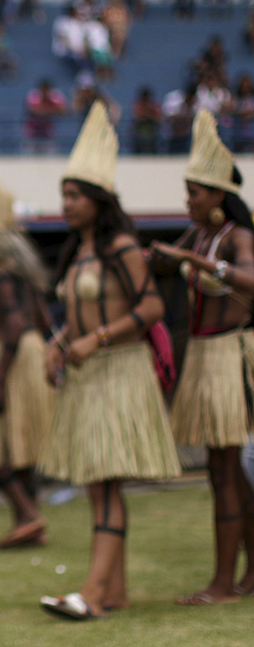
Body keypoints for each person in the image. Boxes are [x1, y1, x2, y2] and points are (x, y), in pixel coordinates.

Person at [38, 103, 181, 620]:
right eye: (64, 194)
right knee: (99, 483)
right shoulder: (77, 251)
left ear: (99, 199)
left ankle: (94, 595)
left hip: (119, 372)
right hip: (87, 376)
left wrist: (95, 338)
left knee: (104, 484)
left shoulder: (121, 245)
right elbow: (76, 313)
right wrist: (58, 342)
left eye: (75, 195)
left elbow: (151, 307)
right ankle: (113, 591)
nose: (67, 203)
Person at [149, 110, 254, 605]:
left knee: (227, 470)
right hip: (206, 357)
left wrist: (190, 260)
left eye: (194, 191)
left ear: (218, 195)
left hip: (231, 359)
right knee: (223, 471)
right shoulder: (201, 235)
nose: (188, 199)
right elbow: (166, 263)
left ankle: (223, 583)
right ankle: (245, 574)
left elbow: (250, 280)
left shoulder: (235, 236)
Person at [0, 176, 55, 551]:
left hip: (13, 357)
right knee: (21, 449)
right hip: (32, 355)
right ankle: (28, 519)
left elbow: (16, 325)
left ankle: (29, 514)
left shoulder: (3, 278)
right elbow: (43, 322)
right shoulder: (27, 277)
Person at [24, 78, 67, 154]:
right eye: (43, 90)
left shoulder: (55, 97)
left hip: (48, 133)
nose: (45, 93)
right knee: (30, 160)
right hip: (33, 133)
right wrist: (52, 110)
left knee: (50, 159)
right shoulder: (33, 96)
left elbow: (63, 111)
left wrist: (47, 109)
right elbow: (36, 111)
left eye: (47, 90)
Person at [131, 86, 163, 155]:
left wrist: (149, 116)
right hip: (140, 133)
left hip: (151, 133)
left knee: (152, 152)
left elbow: (159, 119)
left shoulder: (153, 106)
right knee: (138, 153)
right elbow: (137, 116)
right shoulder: (138, 105)